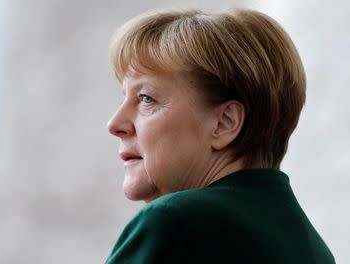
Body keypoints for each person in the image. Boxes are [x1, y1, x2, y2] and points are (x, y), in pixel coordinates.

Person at [105, 7, 335, 264]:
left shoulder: (176, 223)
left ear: (225, 123)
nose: (115, 124)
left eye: (146, 98)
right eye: (124, 97)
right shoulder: (314, 250)